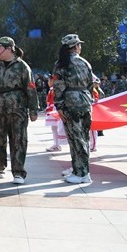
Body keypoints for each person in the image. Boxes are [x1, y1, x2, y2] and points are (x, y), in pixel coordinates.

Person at [0, 36, 38, 184]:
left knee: (18, 140)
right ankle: (0, 166)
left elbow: (30, 88)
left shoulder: (22, 66)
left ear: (9, 49)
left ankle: (18, 172)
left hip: (18, 109)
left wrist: (33, 109)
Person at [53, 34, 94, 184]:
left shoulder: (61, 64)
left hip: (70, 103)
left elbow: (58, 87)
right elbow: (90, 85)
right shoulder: (85, 63)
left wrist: (59, 105)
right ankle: (82, 171)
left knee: (75, 139)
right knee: (84, 138)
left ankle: (81, 172)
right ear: (76, 46)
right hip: (85, 101)